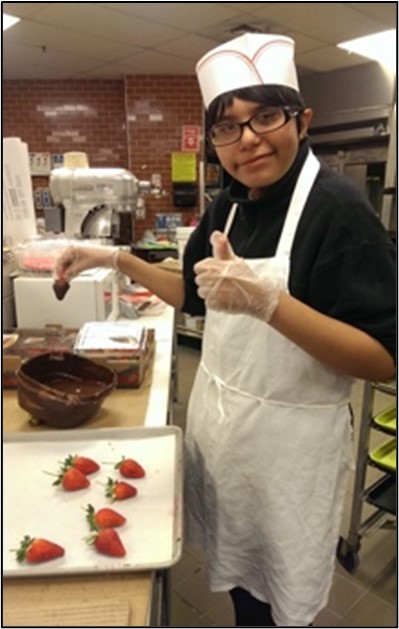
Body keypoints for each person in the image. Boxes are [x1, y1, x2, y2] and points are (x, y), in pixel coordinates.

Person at [55, 33, 396, 627]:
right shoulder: (231, 203)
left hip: (289, 451)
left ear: (302, 119)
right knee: (240, 587)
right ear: (214, 141)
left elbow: (382, 359)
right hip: (226, 437)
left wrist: (270, 305)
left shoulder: (338, 211)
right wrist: (114, 260)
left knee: (278, 601)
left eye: (265, 115)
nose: (248, 140)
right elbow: (193, 293)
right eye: (228, 127)